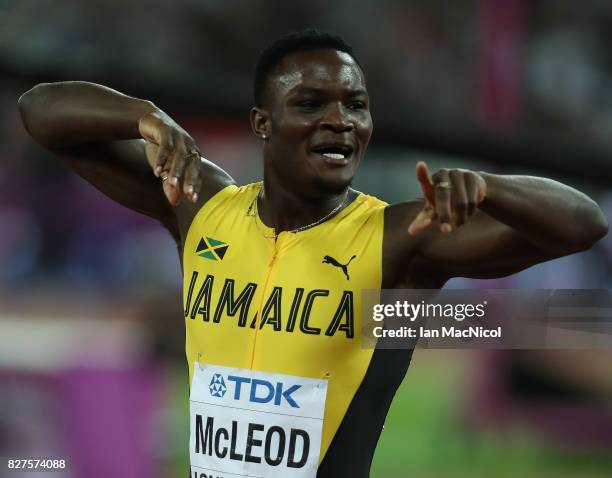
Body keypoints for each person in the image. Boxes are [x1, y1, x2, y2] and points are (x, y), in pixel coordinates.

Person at [18, 29, 608, 478]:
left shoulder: (399, 236)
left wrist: (490, 187)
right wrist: (139, 114)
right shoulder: (202, 206)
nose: (340, 121)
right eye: (310, 104)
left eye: (356, 104)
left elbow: (583, 223)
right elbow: (40, 111)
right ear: (262, 123)